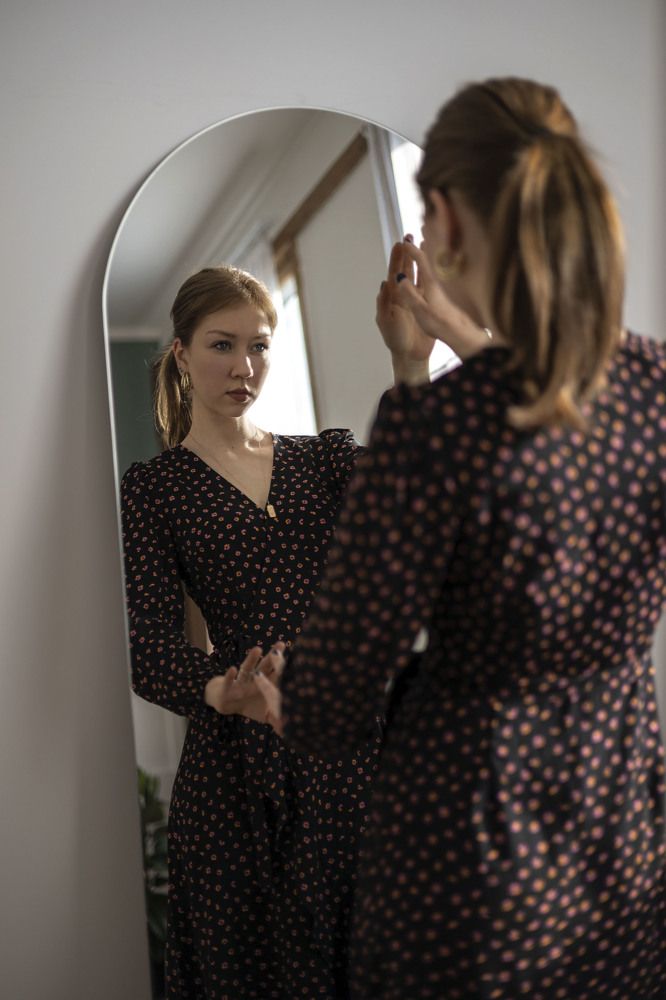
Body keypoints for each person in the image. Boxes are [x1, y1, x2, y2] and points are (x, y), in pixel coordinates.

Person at [263, 77, 666, 998]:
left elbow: (329, 709)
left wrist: (295, 690)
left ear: (444, 219)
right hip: (623, 844)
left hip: (471, 869)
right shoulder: (654, 386)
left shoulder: (435, 430)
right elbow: (550, 419)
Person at [120, 264, 485, 998]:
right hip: (239, 776)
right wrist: (225, 690)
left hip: (357, 754)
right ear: (182, 354)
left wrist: (410, 363)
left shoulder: (325, 459)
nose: (244, 367)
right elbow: (149, 650)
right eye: (223, 345)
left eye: (259, 346)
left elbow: (422, 495)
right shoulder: (155, 489)